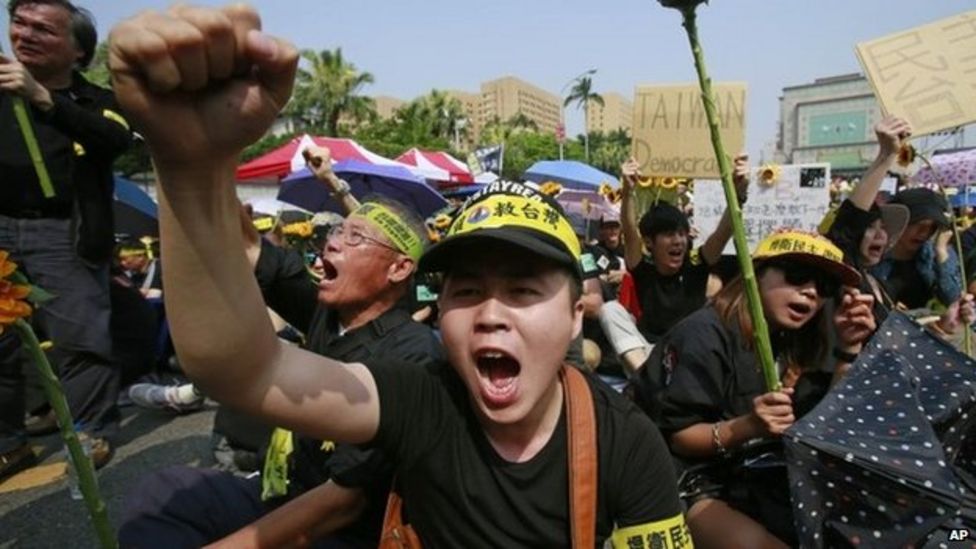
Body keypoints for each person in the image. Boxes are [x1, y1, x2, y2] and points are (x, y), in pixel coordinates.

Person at [108, 5, 686, 545]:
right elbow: (239, 367)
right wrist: (185, 164)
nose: (489, 315)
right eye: (465, 291)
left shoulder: (626, 444)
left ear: (573, 313)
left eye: (522, 290)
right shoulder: (423, 398)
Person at [119, 172, 442, 547]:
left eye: (355, 238)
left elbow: (345, 502)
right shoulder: (327, 308)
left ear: (399, 269)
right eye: (338, 232)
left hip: (342, 529)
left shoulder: (413, 353)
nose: (333, 244)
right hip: (281, 490)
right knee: (163, 493)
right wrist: (201, 157)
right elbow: (246, 245)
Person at [633, 230, 876, 548]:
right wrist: (749, 426)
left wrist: (848, 348)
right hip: (683, 481)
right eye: (797, 275)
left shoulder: (796, 339)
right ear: (756, 274)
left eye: (825, 286)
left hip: (756, 474)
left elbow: (826, 424)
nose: (810, 291)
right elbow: (681, 437)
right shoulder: (704, 336)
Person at [0, 0, 132, 477]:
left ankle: (91, 430)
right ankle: (8, 443)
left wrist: (42, 98)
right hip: (1, 230)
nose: (26, 34)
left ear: (78, 51)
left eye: (44, 29)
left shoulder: (98, 101)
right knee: (2, 342)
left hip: (64, 234)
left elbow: (114, 140)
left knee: (81, 337)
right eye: (20, 23)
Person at [606, 155, 749, 372]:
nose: (678, 241)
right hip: (648, 355)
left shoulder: (696, 265)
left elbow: (723, 233)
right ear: (649, 242)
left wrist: (738, 194)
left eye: (682, 234)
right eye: (669, 234)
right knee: (609, 310)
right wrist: (627, 191)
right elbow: (629, 231)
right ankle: (647, 377)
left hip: (688, 353)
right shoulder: (643, 267)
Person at [820, 116, 912, 324]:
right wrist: (887, 155)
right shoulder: (840, 280)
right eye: (870, 227)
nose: (881, 234)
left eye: (883, 227)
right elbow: (849, 224)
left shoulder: (879, 284)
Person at [873, 187, 962, 311]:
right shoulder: (873, 252)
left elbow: (953, 301)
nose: (924, 233)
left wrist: (941, 253)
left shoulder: (935, 254)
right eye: (917, 225)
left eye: (932, 227)